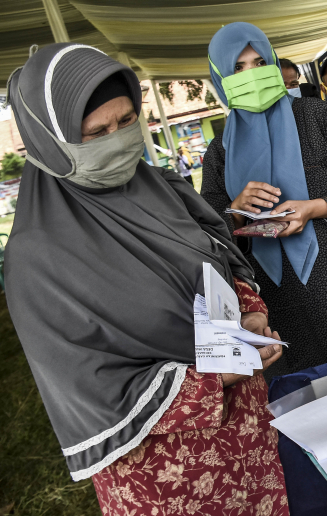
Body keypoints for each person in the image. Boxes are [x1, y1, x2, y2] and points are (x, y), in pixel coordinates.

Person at [5, 44, 289, 514]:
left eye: (126, 121)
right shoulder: (38, 259)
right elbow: (86, 383)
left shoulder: (161, 188)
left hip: (248, 435)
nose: (118, 141)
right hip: (166, 471)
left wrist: (250, 312)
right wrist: (213, 379)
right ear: (50, 145)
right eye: (96, 133)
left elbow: (215, 252)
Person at [200, 22, 327, 376]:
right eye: (238, 67)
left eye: (260, 62)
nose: (252, 74)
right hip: (274, 299)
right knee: (308, 396)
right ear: (220, 78)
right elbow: (209, 234)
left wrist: (314, 208)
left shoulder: (316, 116)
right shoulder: (219, 152)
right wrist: (235, 209)